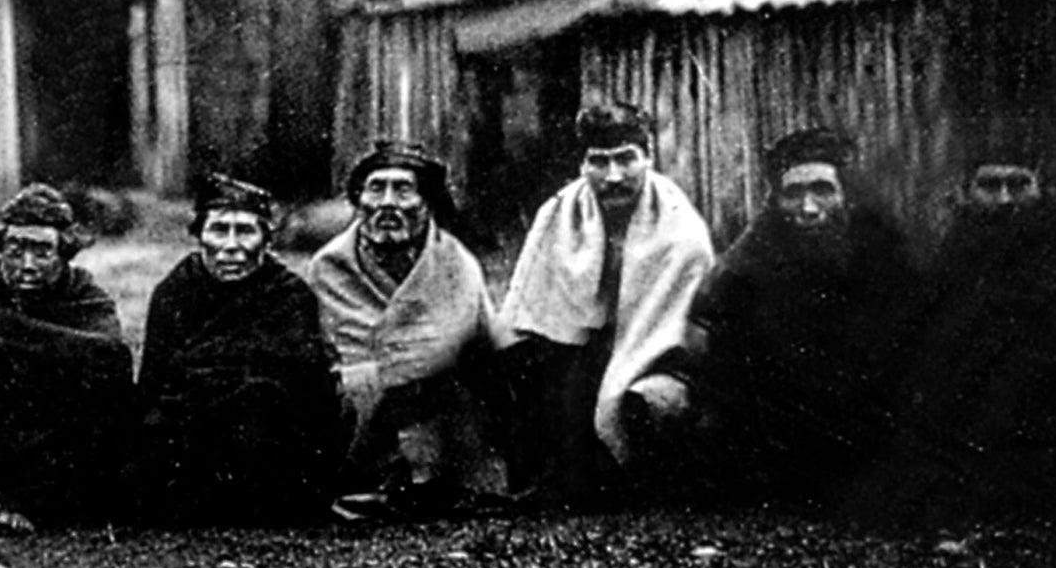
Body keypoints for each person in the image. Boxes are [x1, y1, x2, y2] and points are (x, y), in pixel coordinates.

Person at [675, 126, 919, 506]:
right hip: (780, 434)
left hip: (864, 426)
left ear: (845, 194)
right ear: (776, 200)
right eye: (793, 194)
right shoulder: (752, 257)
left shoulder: (882, 250)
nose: (808, 208)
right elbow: (712, 339)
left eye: (822, 190)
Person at [881, 133, 1056, 546]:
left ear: (1043, 190)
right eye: (989, 186)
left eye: (1018, 184)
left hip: (1055, 484)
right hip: (958, 487)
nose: (1004, 200)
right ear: (966, 193)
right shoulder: (943, 276)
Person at [497, 102, 712, 508]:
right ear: (582, 165)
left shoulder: (681, 228)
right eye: (599, 162)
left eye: (626, 160)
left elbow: (682, 333)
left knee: (649, 403)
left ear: (649, 158)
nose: (613, 176)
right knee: (519, 363)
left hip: (655, 358)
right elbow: (531, 311)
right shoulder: (559, 213)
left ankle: (641, 485)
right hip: (580, 351)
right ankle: (548, 480)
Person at [125, 173, 343, 526]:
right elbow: (154, 384)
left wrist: (210, 368)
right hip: (192, 439)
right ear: (199, 236)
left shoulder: (290, 294)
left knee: (259, 397)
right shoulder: (175, 292)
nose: (230, 246)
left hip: (267, 446)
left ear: (266, 240)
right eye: (218, 230)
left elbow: (304, 388)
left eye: (244, 231)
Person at [0, 183, 135, 532]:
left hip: (54, 441)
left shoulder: (86, 295)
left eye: (42, 252)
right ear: (0, 248)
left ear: (64, 252)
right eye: (15, 250)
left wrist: (5, 327)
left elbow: (109, 356)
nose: (27, 265)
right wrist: (43, 352)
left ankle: (41, 504)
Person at [309, 140, 505, 518]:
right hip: (362, 415)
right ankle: (375, 480)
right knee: (353, 386)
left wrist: (416, 363)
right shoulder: (330, 267)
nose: (387, 203)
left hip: (443, 408)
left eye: (403, 189)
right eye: (375, 188)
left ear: (427, 203)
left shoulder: (456, 264)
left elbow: (476, 342)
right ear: (358, 200)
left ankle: (441, 482)